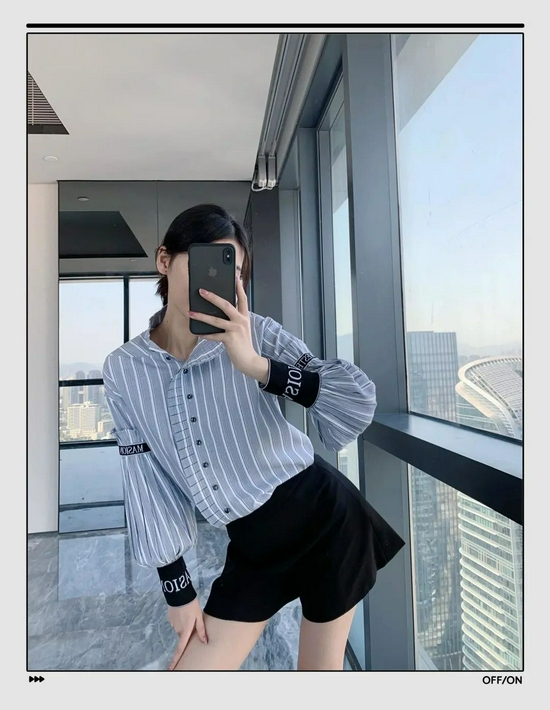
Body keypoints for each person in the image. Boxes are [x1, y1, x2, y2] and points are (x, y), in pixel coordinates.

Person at [102, 203, 405, 671]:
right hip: (252, 545)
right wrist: (177, 588)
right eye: (205, 262)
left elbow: (354, 401)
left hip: (326, 519)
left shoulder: (257, 333)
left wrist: (258, 366)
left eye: (232, 270)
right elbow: (146, 478)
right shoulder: (123, 369)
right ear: (164, 260)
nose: (217, 282)